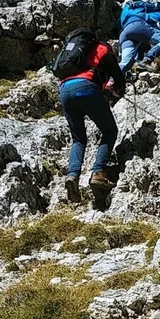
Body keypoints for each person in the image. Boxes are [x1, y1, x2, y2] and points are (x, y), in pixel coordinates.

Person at [55, 32, 127, 206]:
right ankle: (98, 172)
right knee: (109, 130)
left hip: (65, 91)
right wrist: (118, 90)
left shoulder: (72, 54)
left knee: (78, 139)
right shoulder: (102, 49)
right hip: (87, 88)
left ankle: (73, 175)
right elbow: (118, 77)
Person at [117, 0, 160, 72]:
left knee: (124, 63)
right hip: (137, 26)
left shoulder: (125, 14)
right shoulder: (149, 14)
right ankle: (147, 60)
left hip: (124, 34)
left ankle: (111, 80)